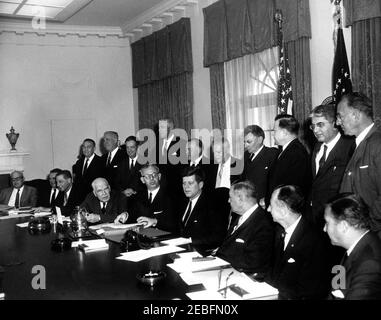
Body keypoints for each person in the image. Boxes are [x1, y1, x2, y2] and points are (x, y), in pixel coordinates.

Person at [266, 185, 330, 299]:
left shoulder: (314, 241)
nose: (268, 209)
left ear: (283, 210)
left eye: (271, 205)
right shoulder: (278, 231)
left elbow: (310, 290)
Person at [337, 93, 381, 232]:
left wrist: (365, 225)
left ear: (355, 115)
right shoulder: (358, 144)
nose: (338, 122)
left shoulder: (377, 144)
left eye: (340, 116)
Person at [324, 193, 381, 299]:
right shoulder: (357, 245)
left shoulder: (369, 265)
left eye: (327, 223)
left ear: (343, 226)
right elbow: (336, 290)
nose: (324, 229)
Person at [309, 104, 355, 229]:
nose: (315, 130)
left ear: (335, 124)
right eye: (313, 126)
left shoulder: (350, 147)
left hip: (338, 219)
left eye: (320, 125)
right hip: (316, 217)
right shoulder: (317, 148)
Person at [215, 181, 274, 276]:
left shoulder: (263, 223)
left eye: (230, 197)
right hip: (224, 269)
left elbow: (254, 262)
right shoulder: (241, 217)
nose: (228, 201)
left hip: (241, 276)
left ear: (240, 199)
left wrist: (219, 262)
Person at [116, 164, 177, 232]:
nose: (151, 178)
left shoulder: (171, 196)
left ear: (159, 176)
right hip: (144, 236)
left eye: (154, 175)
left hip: (164, 236)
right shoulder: (138, 196)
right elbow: (133, 215)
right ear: (142, 180)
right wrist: (125, 215)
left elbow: (173, 222)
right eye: (147, 176)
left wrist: (154, 221)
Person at [266, 114, 311, 206]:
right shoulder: (284, 150)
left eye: (274, 130)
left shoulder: (297, 153)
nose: (272, 134)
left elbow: (293, 187)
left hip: (285, 208)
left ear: (284, 133)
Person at [180, 166, 225, 251]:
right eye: (184, 183)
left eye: (190, 183)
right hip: (179, 249)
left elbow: (217, 237)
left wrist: (190, 240)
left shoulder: (211, 205)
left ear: (200, 185)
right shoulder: (181, 202)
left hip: (200, 251)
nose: (186, 187)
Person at [241, 125, 278, 204]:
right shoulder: (245, 155)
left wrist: (268, 199)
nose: (245, 145)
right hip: (248, 202)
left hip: (263, 203)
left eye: (248, 142)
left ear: (260, 140)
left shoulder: (272, 154)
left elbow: (276, 182)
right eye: (244, 142)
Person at [72, 138, 104, 203]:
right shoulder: (78, 162)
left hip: (95, 198)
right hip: (81, 199)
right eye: (84, 147)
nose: (86, 149)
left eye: (89, 147)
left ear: (94, 148)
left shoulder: (101, 162)